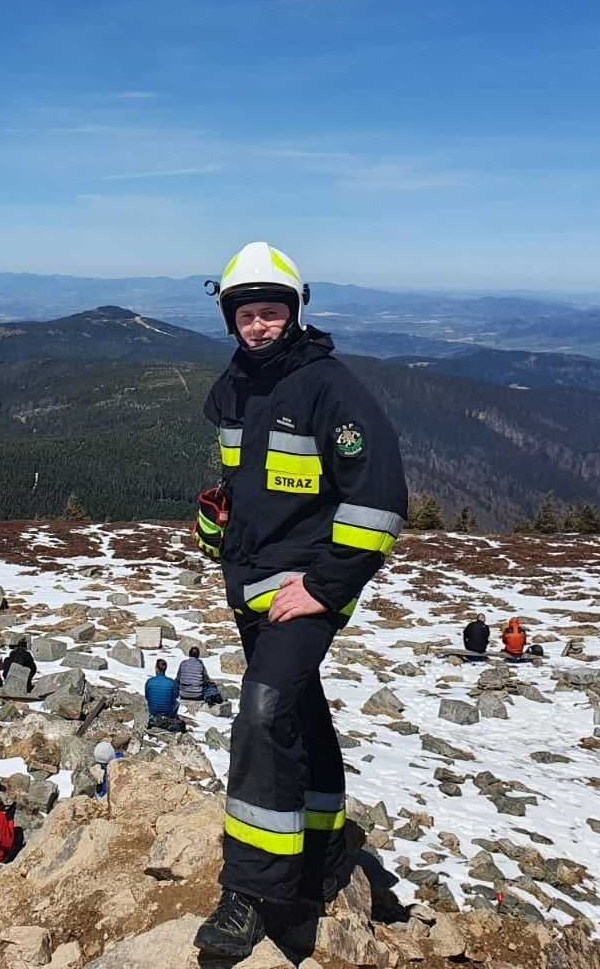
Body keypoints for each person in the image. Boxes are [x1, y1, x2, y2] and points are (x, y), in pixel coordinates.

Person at [192, 241, 408, 958]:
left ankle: (254, 891)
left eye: (272, 311)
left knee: (263, 708)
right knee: (300, 711)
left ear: (296, 311)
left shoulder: (329, 387)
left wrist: (323, 586)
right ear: (231, 320)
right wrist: (216, 520)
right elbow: (246, 482)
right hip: (252, 583)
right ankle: (321, 847)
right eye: (247, 314)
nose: (260, 325)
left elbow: (378, 500)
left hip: (306, 587)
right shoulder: (236, 385)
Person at [145, 658, 183, 730]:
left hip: (153, 711)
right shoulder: (171, 682)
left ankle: (154, 719)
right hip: (167, 712)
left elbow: (147, 697)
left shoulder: (149, 681)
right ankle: (171, 719)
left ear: (156, 668)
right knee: (177, 703)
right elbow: (175, 697)